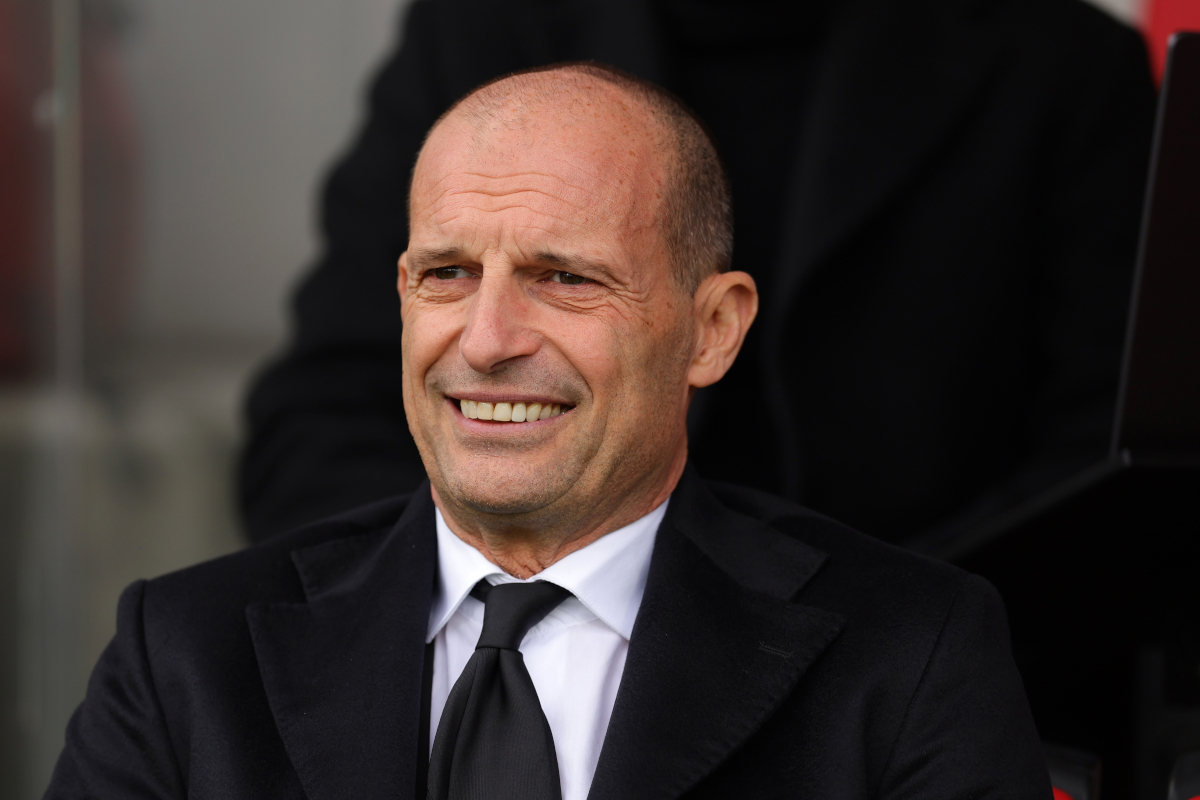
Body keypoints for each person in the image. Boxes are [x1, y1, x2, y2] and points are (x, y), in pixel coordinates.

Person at [47, 64, 1050, 799]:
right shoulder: (183, 655)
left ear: (712, 328)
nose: (485, 341)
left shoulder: (911, 655)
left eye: (563, 277)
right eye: (446, 274)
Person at [239, 0, 1156, 547]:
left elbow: (1118, 472)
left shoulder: (1062, 65)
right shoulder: (484, 30)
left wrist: (877, 645)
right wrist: (515, 613)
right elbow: (322, 418)